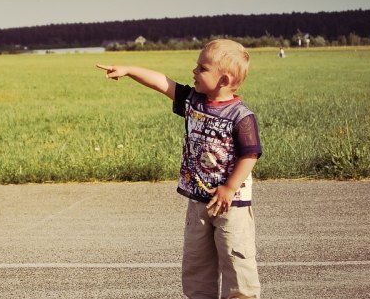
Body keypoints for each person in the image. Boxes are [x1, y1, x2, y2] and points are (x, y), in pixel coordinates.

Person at [97, 39, 262, 299]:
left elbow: (250, 154)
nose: (194, 71)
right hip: (198, 202)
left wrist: (230, 188)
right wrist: (129, 70)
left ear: (224, 80)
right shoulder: (193, 101)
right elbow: (163, 82)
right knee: (196, 263)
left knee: (237, 262)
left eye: (202, 68)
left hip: (232, 205)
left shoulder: (241, 116)